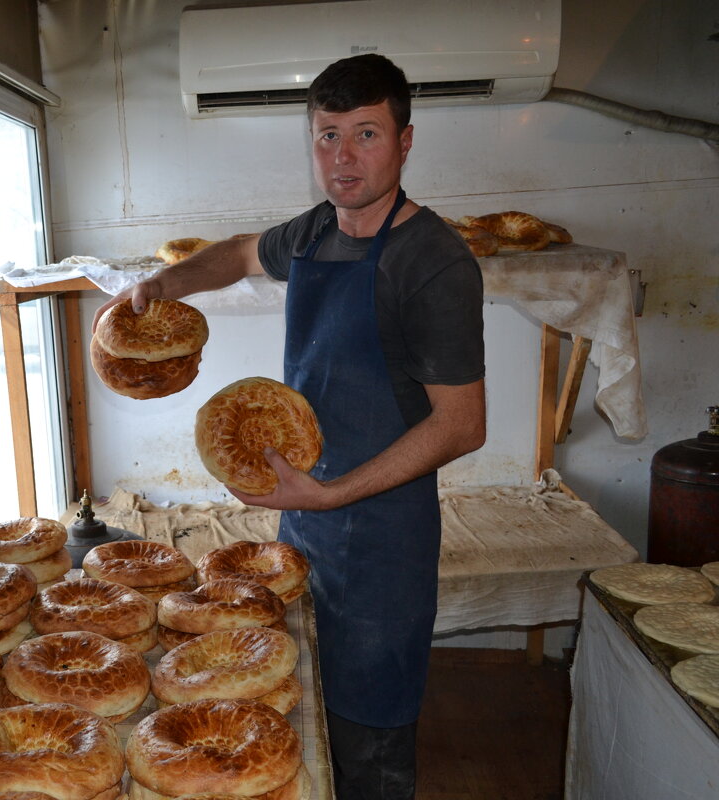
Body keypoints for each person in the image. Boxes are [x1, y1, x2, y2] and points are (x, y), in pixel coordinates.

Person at [94, 54, 486, 799]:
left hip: (379, 543)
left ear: (405, 142)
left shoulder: (433, 262)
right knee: (291, 712)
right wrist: (163, 283)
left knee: (370, 742)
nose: (342, 159)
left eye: (365, 135)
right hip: (301, 527)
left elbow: (462, 425)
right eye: (326, 136)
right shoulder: (312, 235)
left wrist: (334, 497)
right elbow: (243, 253)